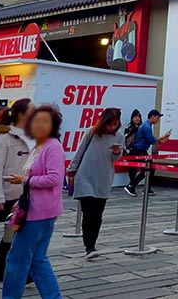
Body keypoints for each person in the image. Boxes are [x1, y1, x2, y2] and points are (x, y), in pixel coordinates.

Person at [2, 105, 66, 299]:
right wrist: (22, 196)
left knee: (17, 260)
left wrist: (24, 180)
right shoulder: (41, 145)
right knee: (37, 260)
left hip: (39, 212)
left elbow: (54, 178)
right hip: (37, 208)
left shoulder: (52, 146)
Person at [0, 98, 33, 282]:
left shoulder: (33, 136)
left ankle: (6, 270)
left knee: (19, 234)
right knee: (12, 233)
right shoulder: (3, 137)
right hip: (9, 193)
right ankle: (5, 270)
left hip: (26, 191)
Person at [67, 107, 124, 260]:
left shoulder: (119, 137)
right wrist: (71, 171)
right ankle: (89, 246)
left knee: (98, 214)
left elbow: (115, 159)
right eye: (109, 123)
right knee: (88, 212)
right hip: (85, 176)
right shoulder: (91, 133)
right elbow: (80, 152)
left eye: (115, 124)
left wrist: (117, 151)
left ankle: (92, 243)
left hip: (103, 178)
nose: (111, 127)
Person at [124, 110, 170, 196]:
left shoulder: (147, 125)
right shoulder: (146, 126)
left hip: (141, 150)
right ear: (152, 116)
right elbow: (151, 140)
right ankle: (132, 185)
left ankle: (144, 188)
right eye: (157, 117)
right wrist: (163, 136)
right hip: (139, 151)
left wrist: (161, 140)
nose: (158, 120)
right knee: (148, 168)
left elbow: (150, 140)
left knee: (150, 168)